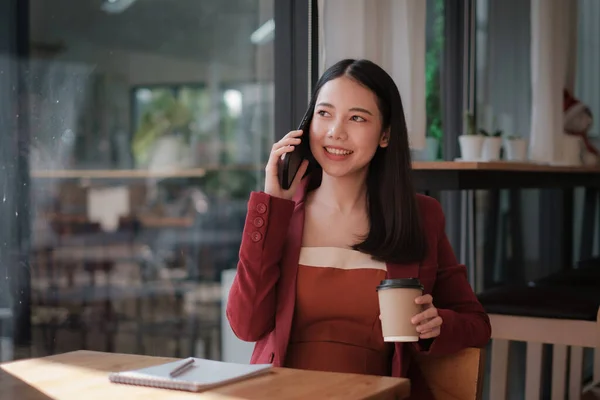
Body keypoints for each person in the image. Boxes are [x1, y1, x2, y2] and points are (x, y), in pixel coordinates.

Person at [226, 59, 491, 399]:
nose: (336, 131)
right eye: (324, 114)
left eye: (356, 118)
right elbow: (246, 326)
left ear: (385, 135)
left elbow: (477, 324)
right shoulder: (282, 215)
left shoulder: (421, 217)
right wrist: (270, 205)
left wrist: (437, 324)